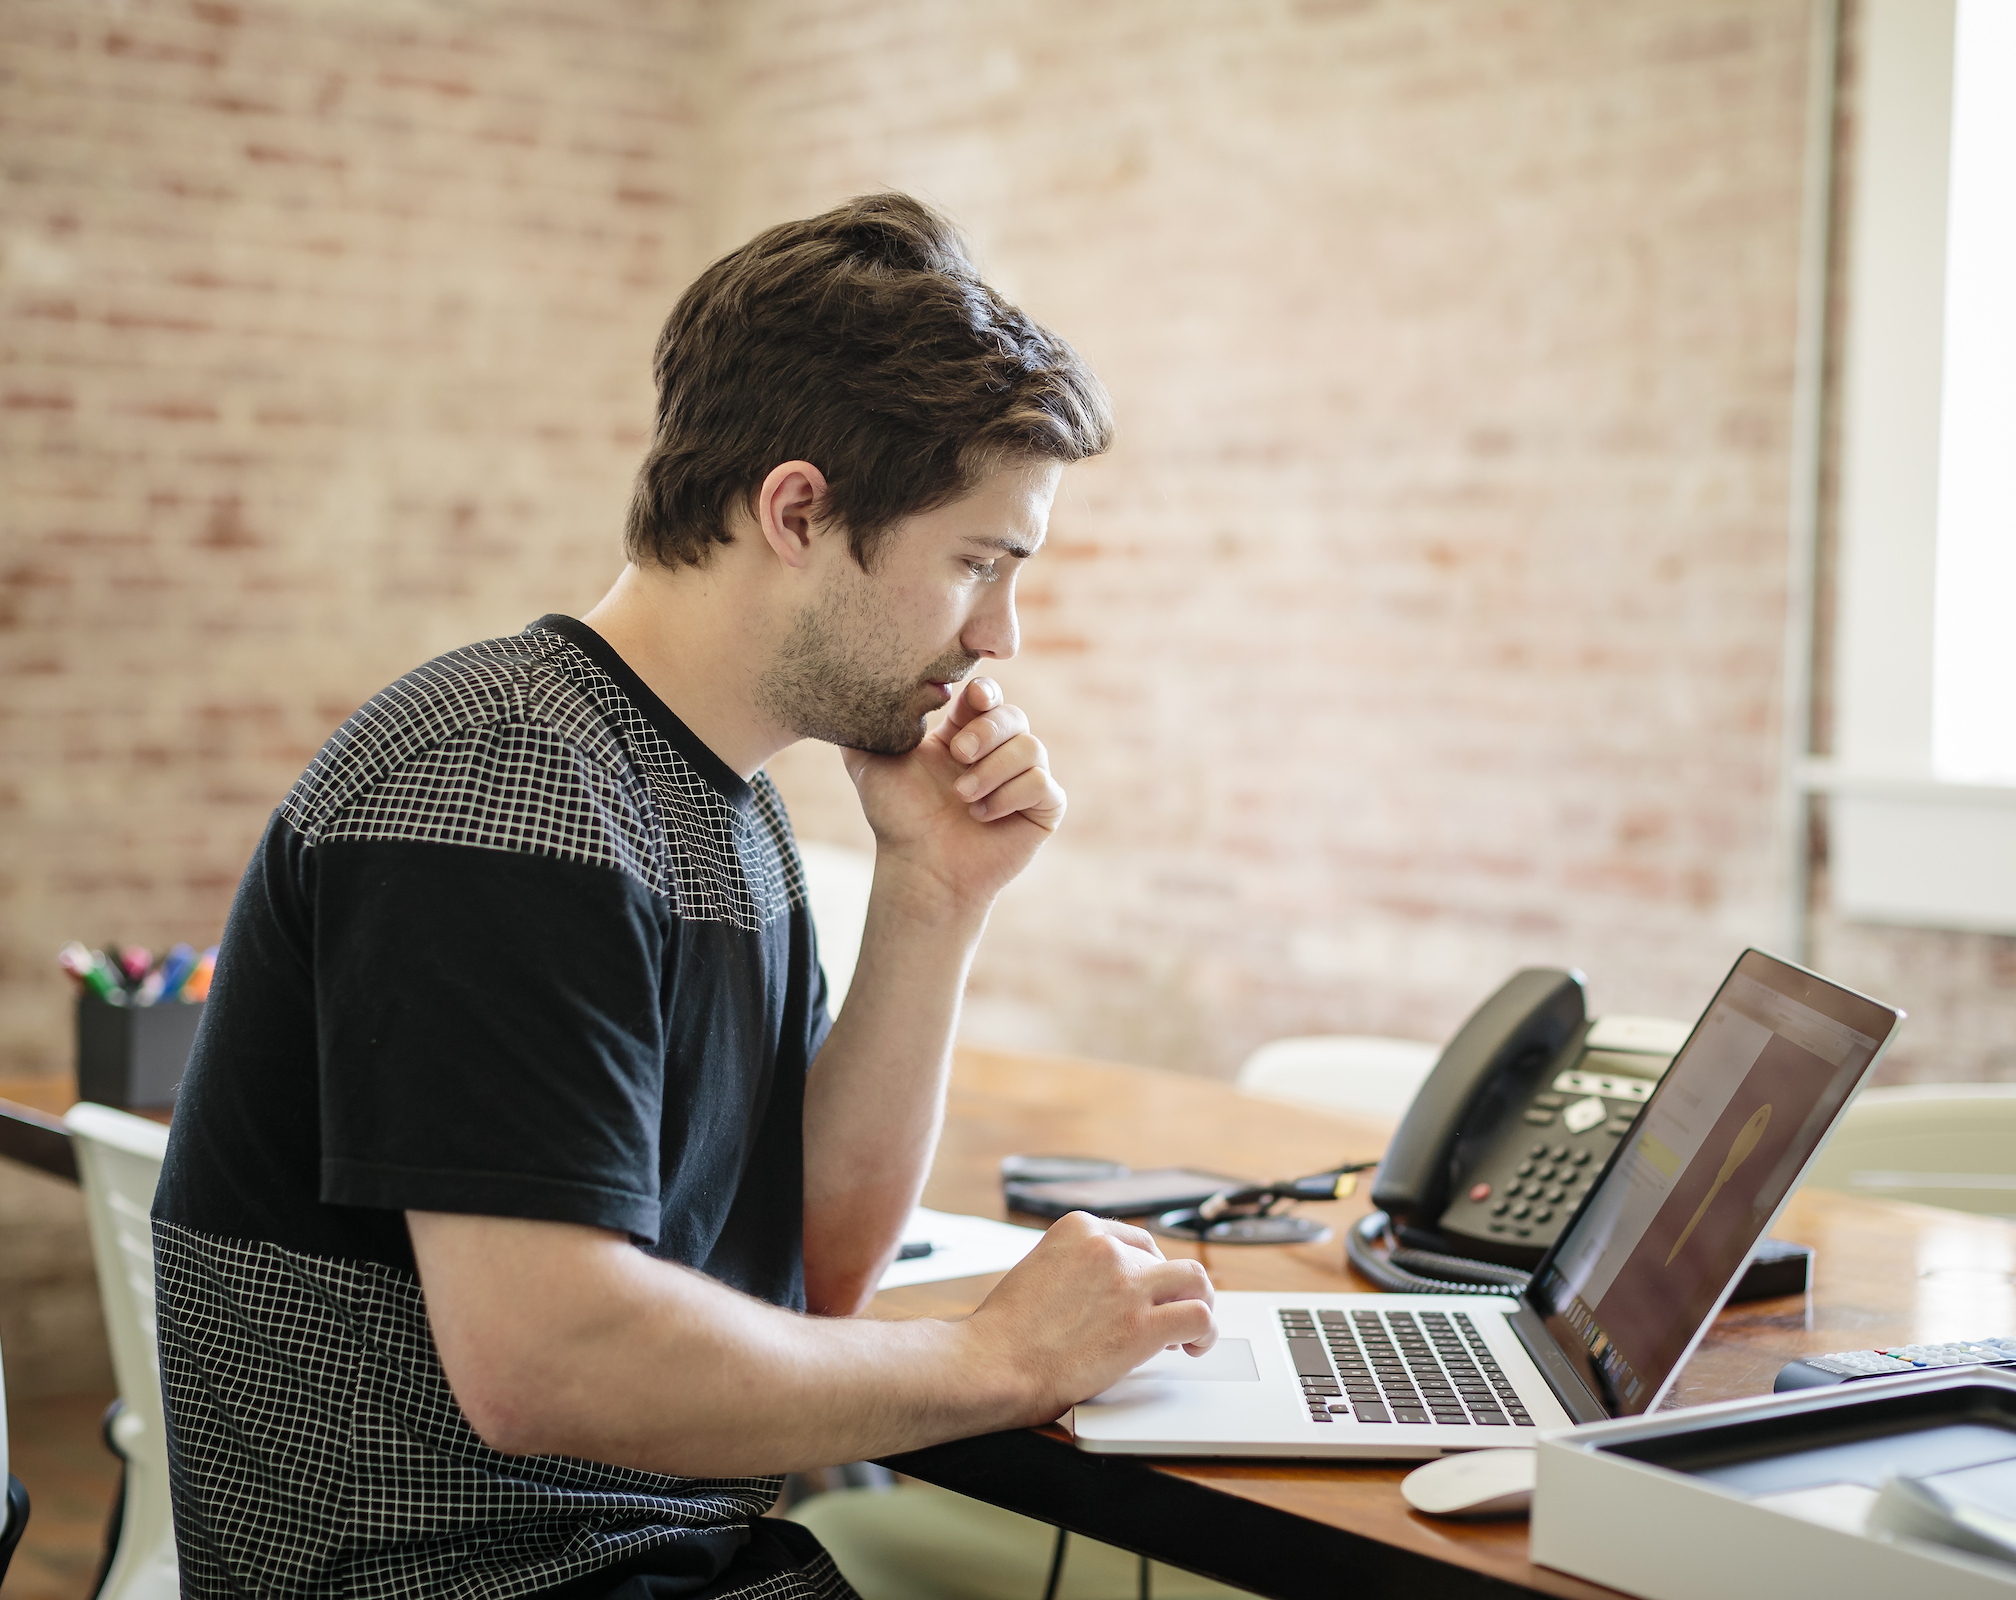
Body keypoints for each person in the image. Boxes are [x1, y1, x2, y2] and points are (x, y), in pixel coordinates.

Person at [150, 192, 1218, 1600]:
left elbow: (816, 1270)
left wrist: (935, 893)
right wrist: (1003, 1357)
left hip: (642, 1564)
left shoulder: (722, 809)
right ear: (798, 512)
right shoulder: (501, 783)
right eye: (976, 563)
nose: (998, 635)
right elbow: (548, 1365)